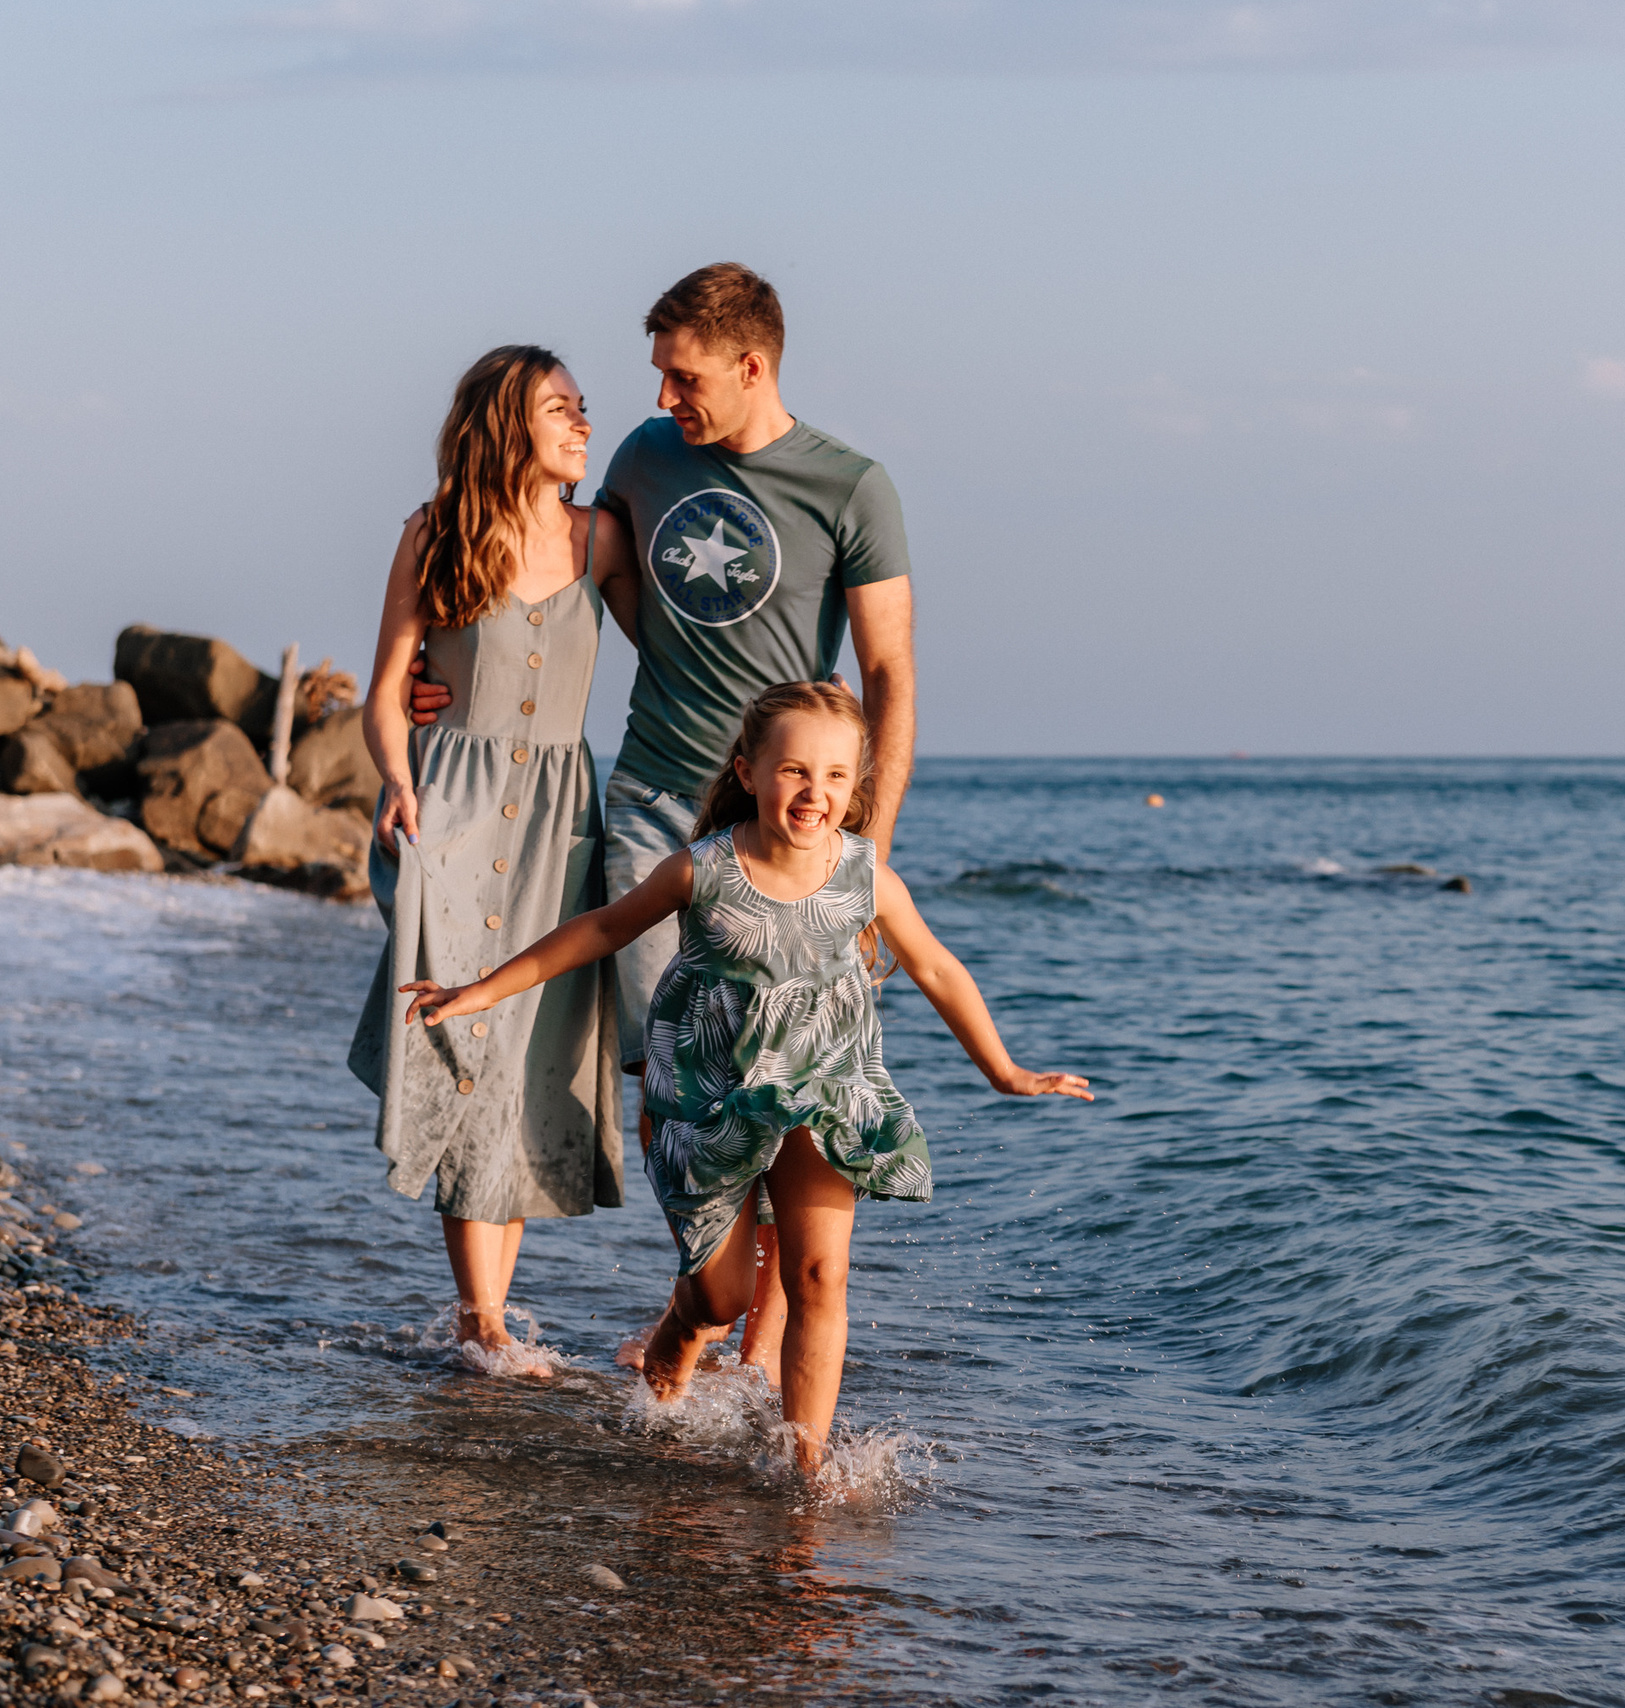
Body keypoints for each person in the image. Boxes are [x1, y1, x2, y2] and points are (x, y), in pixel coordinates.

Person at [412, 263, 917, 1382]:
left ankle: (753, 1330)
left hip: (794, 833)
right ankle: (706, 1290)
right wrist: (439, 680)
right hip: (650, 803)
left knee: (785, 1078)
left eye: (682, 377)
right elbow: (539, 568)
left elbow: (888, 672)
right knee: (674, 1074)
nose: (661, 398)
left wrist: (864, 850)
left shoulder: (852, 487)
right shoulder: (643, 460)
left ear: (751, 365)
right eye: (656, 377)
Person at [394, 682, 1089, 1470]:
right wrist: (478, 990)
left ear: (855, 785)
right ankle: (677, 1338)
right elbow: (601, 929)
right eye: (794, 771)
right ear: (749, 772)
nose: (814, 792)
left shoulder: (865, 877)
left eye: (834, 776)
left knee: (820, 1274)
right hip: (708, 1097)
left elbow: (937, 968)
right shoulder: (704, 870)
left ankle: (809, 1465)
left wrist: (1004, 1070)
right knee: (721, 1299)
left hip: (824, 1092)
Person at [349, 344, 630, 1368]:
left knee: (528, 1055)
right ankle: (484, 1322)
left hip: (560, 826)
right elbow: (388, 687)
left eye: (583, 408)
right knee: (465, 1043)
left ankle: (489, 1319)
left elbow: (681, 661)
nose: (582, 424)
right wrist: (399, 773)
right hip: (454, 816)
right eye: (560, 409)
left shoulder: (604, 538)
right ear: (507, 423)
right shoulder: (436, 535)